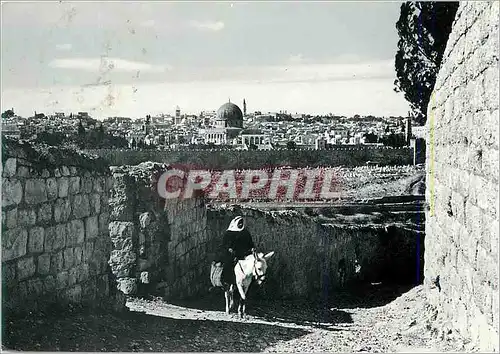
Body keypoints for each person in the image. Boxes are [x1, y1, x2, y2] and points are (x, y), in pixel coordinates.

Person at [215, 216, 255, 286]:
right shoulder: (229, 233)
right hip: (232, 255)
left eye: (241, 223)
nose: (240, 225)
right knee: (228, 265)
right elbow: (224, 245)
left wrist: (252, 248)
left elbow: (250, 243)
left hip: (244, 254)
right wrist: (229, 249)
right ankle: (226, 282)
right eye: (239, 223)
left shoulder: (245, 232)